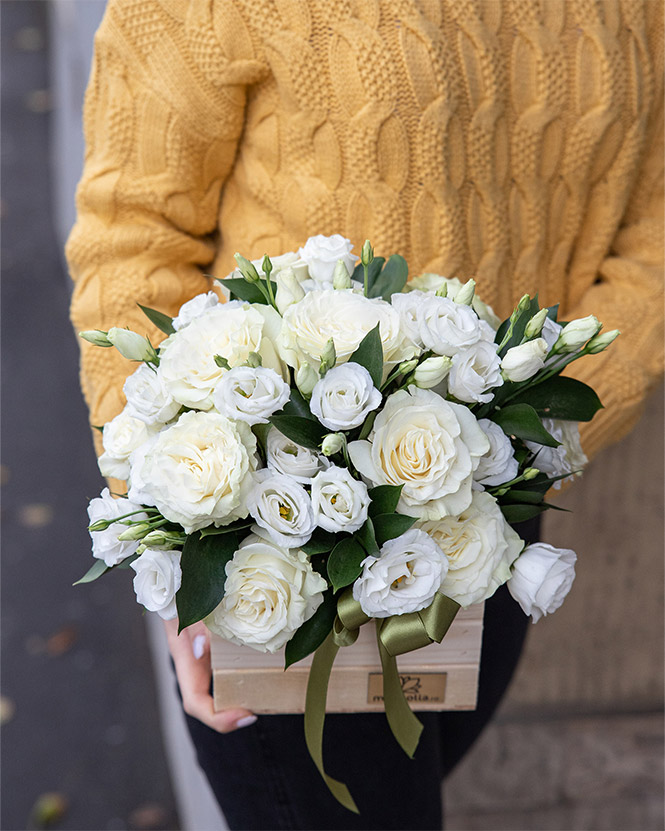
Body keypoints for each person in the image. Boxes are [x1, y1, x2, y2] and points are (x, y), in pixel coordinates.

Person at [66, 2, 663, 828]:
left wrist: (519, 437)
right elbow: (133, 238)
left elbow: (655, 233)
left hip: (486, 530)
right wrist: (177, 527)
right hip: (279, 565)